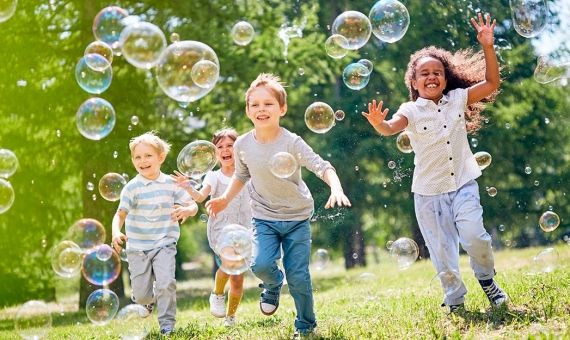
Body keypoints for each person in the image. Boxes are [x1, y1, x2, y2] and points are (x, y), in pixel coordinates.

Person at [363, 13, 508, 313]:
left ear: (446, 76)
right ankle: (455, 301)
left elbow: (492, 83)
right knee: (442, 254)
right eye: (424, 73)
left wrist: (488, 46)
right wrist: (380, 123)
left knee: (475, 237)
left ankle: (487, 281)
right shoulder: (411, 110)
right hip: (428, 193)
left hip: (464, 182)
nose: (431, 77)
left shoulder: (458, 98)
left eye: (437, 72)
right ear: (414, 82)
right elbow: (392, 127)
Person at [206, 73, 351, 336]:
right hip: (263, 217)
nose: (262, 109)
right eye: (255, 104)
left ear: (281, 108)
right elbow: (241, 175)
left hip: (296, 218)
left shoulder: (291, 141)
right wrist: (224, 199)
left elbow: (321, 165)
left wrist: (336, 186)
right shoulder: (242, 145)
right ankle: (273, 284)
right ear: (248, 110)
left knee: (299, 277)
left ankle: (306, 326)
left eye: (269, 103)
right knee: (259, 264)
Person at [111, 131, 198, 335]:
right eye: (137, 157)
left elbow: (192, 204)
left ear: (161, 157)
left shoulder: (171, 183)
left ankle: (167, 325)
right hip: (137, 248)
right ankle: (147, 302)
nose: (143, 161)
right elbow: (119, 214)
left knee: (166, 283)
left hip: (164, 243)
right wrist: (116, 232)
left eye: (148, 155)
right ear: (132, 160)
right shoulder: (131, 188)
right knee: (141, 295)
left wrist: (187, 210)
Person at [171, 128, 252, 327]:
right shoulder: (213, 177)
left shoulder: (248, 173)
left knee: (238, 279)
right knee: (229, 263)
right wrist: (188, 187)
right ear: (215, 153)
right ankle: (217, 293)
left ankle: (231, 317)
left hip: (246, 229)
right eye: (220, 147)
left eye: (230, 146)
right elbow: (200, 197)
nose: (225, 150)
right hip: (221, 228)